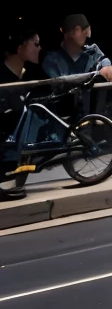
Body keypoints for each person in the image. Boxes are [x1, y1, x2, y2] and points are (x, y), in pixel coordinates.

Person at [2, 28, 48, 200]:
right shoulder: (4, 78)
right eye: (35, 44)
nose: (39, 48)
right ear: (19, 48)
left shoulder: (27, 74)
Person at [41, 13, 112, 82]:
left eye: (87, 29)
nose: (86, 33)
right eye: (79, 29)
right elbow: (61, 86)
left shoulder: (92, 51)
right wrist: (94, 75)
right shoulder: (52, 59)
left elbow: (107, 69)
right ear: (66, 33)